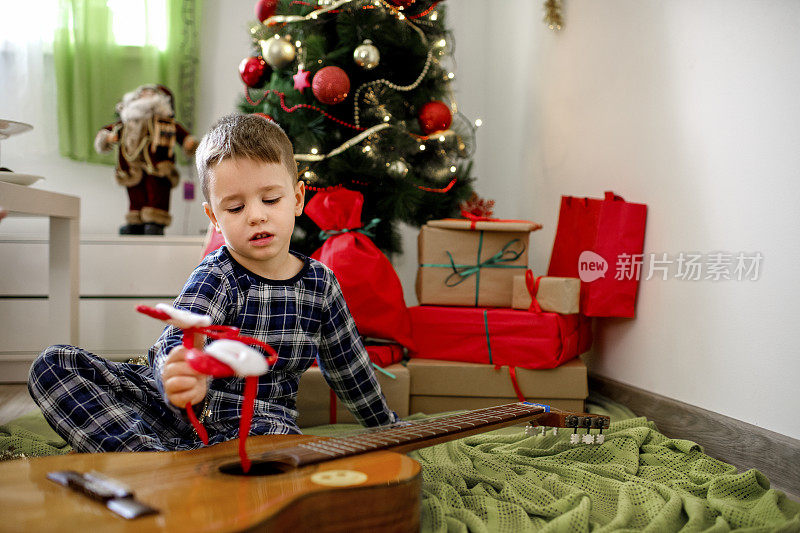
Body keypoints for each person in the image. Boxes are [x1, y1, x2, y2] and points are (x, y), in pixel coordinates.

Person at [28, 113, 398, 452]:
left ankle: (182, 465)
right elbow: (178, 335)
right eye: (235, 208)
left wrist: (387, 429)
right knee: (53, 364)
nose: (255, 216)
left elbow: (350, 370)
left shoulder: (321, 284)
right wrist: (175, 373)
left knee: (274, 448)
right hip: (172, 411)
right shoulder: (217, 273)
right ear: (214, 217)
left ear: (298, 198)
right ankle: (147, 459)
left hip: (257, 424)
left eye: (270, 199)